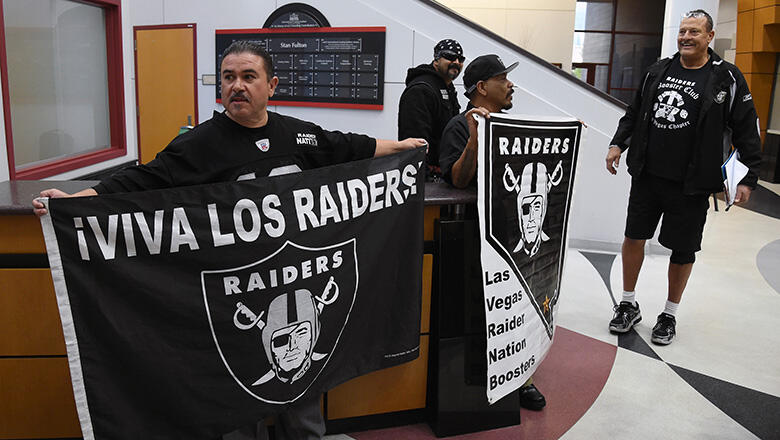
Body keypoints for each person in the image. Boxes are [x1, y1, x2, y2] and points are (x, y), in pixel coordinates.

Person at [33, 40, 425, 440]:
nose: (237, 86)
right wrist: (80, 201)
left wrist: (401, 148)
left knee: (304, 381)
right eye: (228, 77)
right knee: (239, 392)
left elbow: (348, 146)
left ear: (271, 86)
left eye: (248, 77)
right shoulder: (200, 144)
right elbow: (143, 179)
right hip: (238, 294)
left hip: (297, 283)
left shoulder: (298, 135)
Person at [605, 9, 761, 345]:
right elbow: (634, 113)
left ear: (709, 36)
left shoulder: (726, 78)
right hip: (647, 176)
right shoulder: (658, 70)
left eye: (694, 32)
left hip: (692, 185)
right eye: (682, 31)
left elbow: (747, 130)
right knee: (634, 238)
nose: (686, 37)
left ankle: (669, 314)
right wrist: (618, 143)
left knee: (682, 250)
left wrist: (747, 179)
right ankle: (628, 303)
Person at [439, 54, 547, 411]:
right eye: (504, 79)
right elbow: (458, 178)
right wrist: (474, 138)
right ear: (482, 88)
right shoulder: (458, 125)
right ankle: (486, 375)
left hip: (512, 236)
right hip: (475, 235)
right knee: (483, 310)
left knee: (518, 307)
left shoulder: (510, 124)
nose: (511, 85)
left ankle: (522, 376)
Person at [398, 38, 464, 181]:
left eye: (461, 58)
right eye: (450, 56)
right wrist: (423, 179)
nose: (457, 62)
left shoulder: (447, 88)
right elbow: (415, 141)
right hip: (428, 179)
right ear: (436, 60)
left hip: (444, 173)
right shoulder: (421, 90)